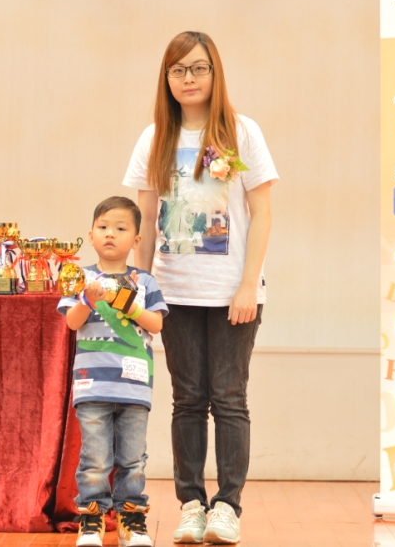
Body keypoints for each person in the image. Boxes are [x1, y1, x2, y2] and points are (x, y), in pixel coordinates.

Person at [123, 32, 278, 544]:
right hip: (174, 292)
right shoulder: (154, 138)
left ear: (215, 73)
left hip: (232, 292)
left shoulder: (241, 131)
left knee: (229, 399)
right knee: (187, 401)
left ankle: (227, 507)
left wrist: (249, 284)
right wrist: (143, 286)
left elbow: (262, 213)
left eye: (198, 68)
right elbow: (146, 218)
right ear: (166, 78)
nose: (188, 78)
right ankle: (191, 504)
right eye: (178, 70)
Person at [58, 196, 169, 547]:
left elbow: (156, 324)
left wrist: (127, 302)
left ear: (136, 239)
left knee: (133, 459)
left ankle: (131, 520)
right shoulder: (81, 277)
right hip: (92, 386)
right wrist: (88, 300)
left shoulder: (145, 281)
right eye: (103, 227)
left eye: (120, 228)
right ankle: (91, 520)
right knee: (95, 458)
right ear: (90, 235)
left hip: (135, 387)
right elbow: (72, 322)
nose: (110, 234)